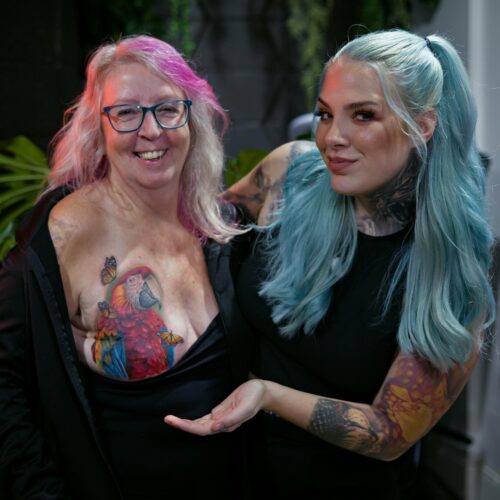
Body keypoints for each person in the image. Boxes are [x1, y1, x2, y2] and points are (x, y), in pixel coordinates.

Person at [165, 29, 496, 499]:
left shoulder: (451, 271)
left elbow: (389, 432)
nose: (332, 138)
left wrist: (268, 395)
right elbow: (197, 230)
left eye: (363, 115)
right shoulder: (289, 176)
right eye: (325, 114)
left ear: (422, 125)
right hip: (236, 472)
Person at [0, 35, 254, 499]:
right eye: (126, 112)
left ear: (191, 118)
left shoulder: (220, 227)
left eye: (167, 108)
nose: (151, 130)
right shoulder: (61, 235)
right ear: (98, 127)